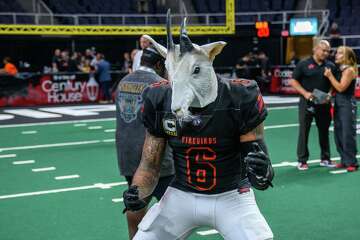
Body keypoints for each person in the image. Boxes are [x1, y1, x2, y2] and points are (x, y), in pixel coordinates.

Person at [123, 12, 274, 240]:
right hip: (181, 194)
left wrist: (262, 172)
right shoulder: (159, 97)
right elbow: (150, 166)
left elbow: (259, 166)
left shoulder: (239, 96)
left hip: (231, 195)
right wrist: (138, 194)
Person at [116, 47, 175, 239]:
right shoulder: (161, 84)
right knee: (174, 208)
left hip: (127, 153)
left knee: (135, 201)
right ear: (159, 64)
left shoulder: (124, 81)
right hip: (154, 157)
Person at [290, 40, 337, 170]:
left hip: (324, 103)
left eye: (328, 51)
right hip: (307, 103)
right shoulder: (303, 64)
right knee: (304, 131)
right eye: (323, 50)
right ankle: (302, 160)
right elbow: (293, 81)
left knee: (324, 131)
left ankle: (325, 158)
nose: (326, 53)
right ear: (315, 49)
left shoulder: (331, 66)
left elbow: (335, 83)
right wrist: (305, 93)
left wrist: (330, 94)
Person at [324, 46, 359, 172]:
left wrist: (329, 76)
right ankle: (344, 160)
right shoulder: (340, 70)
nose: (336, 55)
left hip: (347, 104)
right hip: (338, 103)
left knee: (347, 133)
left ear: (347, 57)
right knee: (338, 132)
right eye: (337, 53)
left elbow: (341, 88)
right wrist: (328, 94)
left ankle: (352, 162)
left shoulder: (349, 70)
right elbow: (335, 89)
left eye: (340, 53)